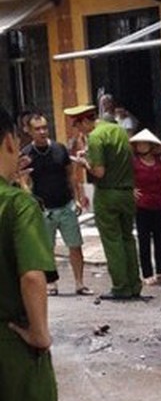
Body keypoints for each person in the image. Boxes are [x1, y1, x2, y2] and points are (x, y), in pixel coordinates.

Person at [0, 105, 92, 401]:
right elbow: (33, 275)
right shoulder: (16, 206)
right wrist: (39, 334)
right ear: (11, 143)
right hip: (13, 344)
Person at [64, 104, 143, 302]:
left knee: (112, 241)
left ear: (85, 120)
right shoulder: (119, 131)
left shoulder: (96, 137)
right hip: (127, 193)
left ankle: (121, 287)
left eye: (77, 125)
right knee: (128, 239)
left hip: (108, 194)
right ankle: (134, 284)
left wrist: (84, 163)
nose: (79, 130)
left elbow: (99, 172)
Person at [21, 114, 92, 296]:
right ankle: (51, 283)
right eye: (37, 129)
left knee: (75, 245)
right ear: (29, 131)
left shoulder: (59, 149)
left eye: (45, 127)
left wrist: (77, 197)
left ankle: (79, 283)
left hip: (65, 205)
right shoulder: (27, 154)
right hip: (43, 209)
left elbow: (70, 176)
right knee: (47, 248)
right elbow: (25, 182)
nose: (43, 131)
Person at [130, 129, 161, 285]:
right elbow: (127, 179)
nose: (140, 146)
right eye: (138, 144)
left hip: (158, 204)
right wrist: (131, 190)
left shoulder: (159, 161)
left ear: (150, 145)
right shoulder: (133, 162)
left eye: (143, 143)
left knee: (160, 238)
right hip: (141, 205)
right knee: (144, 240)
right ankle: (147, 273)